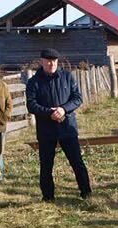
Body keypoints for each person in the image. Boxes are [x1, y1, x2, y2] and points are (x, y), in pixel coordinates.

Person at [25, 49, 91, 202]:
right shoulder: (34, 82)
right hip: (46, 130)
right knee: (46, 165)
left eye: (54, 61)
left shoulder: (67, 77)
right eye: (48, 61)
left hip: (67, 127)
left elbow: (77, 98)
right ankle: (48, 197)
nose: (52, 64)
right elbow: (31, 105)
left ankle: (86, 192)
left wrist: (63, 109)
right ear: (42, 61)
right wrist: (49, 113)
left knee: (77, 161)